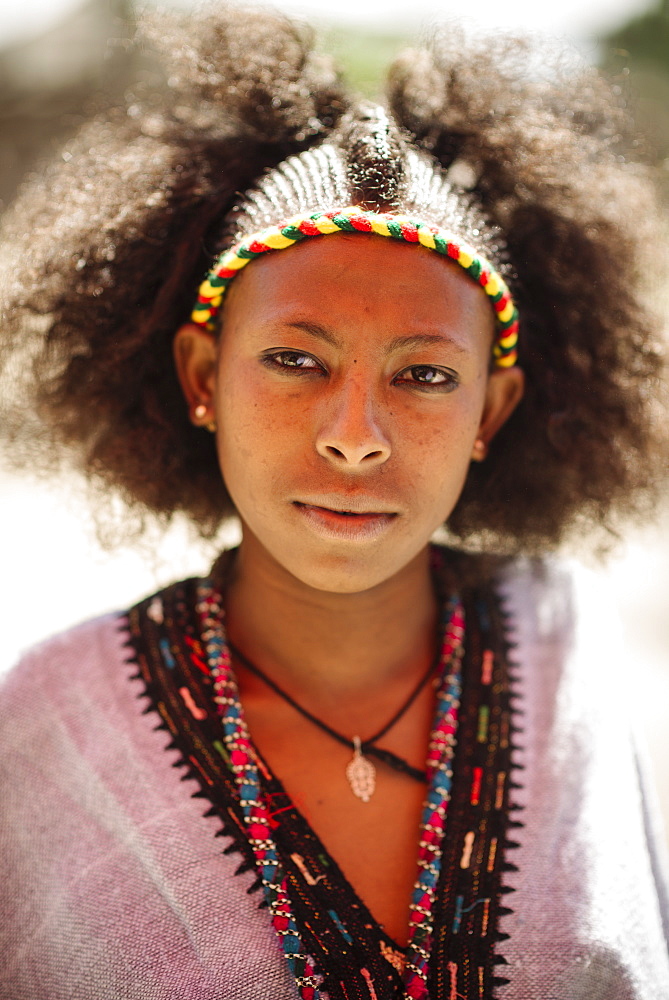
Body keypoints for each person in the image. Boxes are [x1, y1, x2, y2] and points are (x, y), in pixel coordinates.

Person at [0, 5, 668, 999]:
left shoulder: (567, 655)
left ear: (495, 407)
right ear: (201, 376)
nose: (355, 432)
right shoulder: (52, 729)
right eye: (294, 359)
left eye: (427, 376)